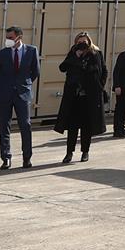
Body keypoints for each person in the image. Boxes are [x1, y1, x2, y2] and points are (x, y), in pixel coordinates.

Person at [0, 25, 39, 170]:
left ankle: (27, 157)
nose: (8, 40)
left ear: (19, 37)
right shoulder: (1, 53)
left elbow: (35, 72)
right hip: (4, 94)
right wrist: (7, 84)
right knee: (4, 126)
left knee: (25, 125)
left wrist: (24, 85)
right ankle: (6, 158)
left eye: (11, 38)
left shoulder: (31, 51)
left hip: (22, 94)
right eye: (7, 38)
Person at [54, 32, 107, 162]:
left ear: (89, 42)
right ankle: (69, 153)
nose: (82, 44)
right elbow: (62, 67)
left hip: (88, 96)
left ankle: (85, 152)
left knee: (86, 126)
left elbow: (102, 71)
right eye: (79, 42)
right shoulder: (73, 53)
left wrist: (99, 87)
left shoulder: (95, 53)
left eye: (84, 42)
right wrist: (76, 57)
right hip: (73, 96)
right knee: (72, 126)